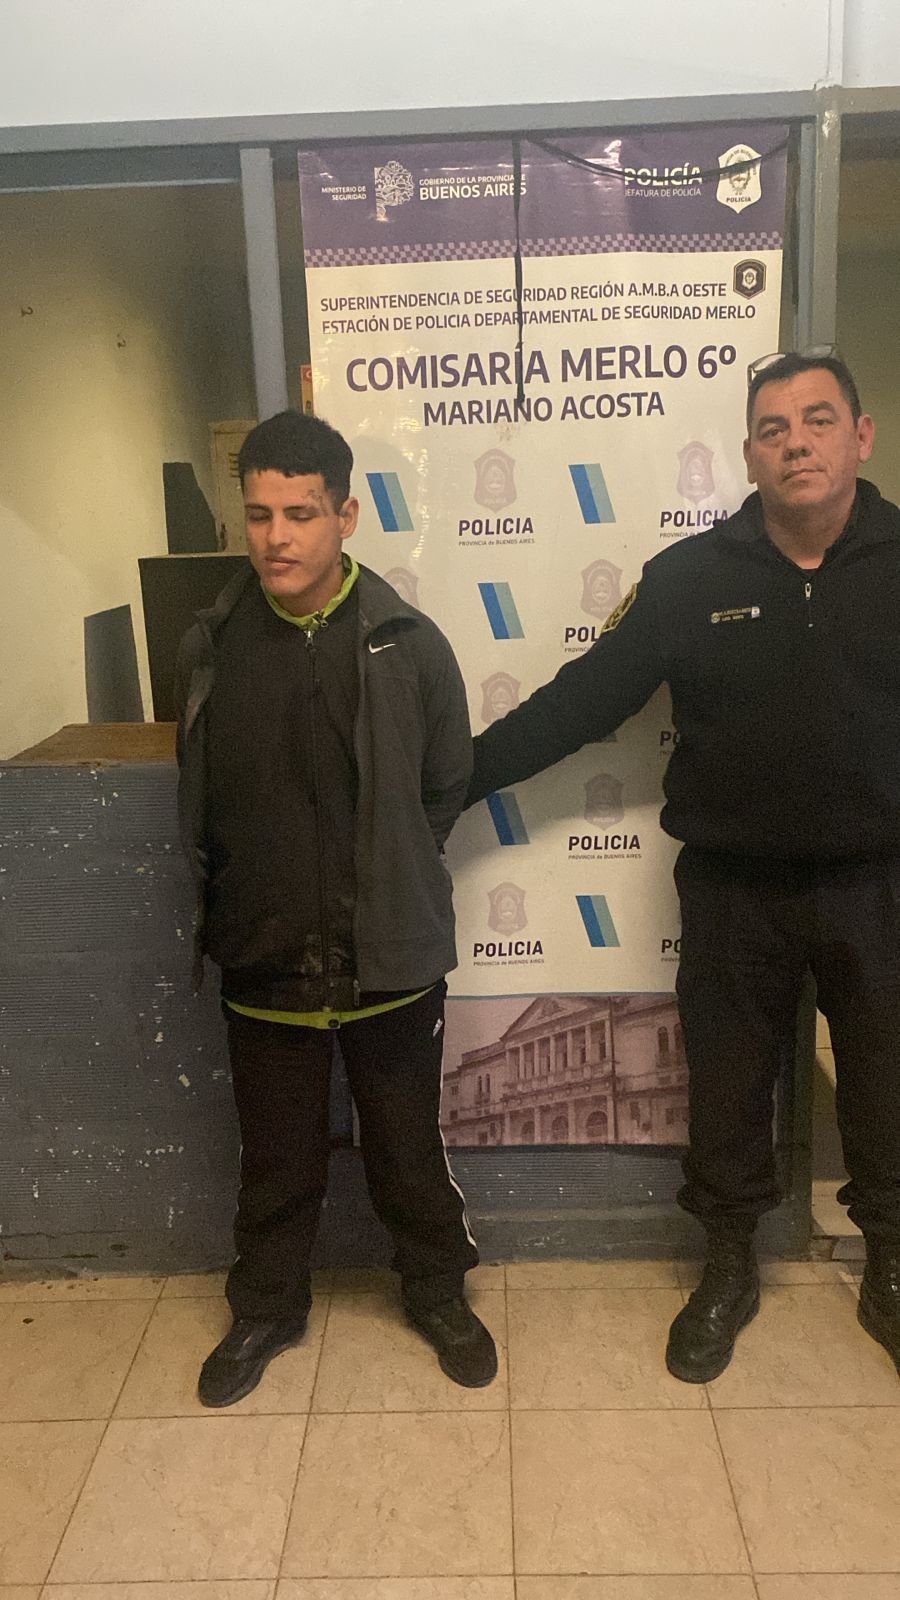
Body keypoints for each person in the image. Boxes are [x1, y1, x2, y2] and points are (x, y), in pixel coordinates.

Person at [465, 351, 900, 1383]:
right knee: (729, 1091)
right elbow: (580, 703)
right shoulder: (688, 579)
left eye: (818, 420)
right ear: (747, 456)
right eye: (773, 428)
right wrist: (453, 778)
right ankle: (728, 1266)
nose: (795, 442)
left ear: (860, 436)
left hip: (880, 884)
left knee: (887, 1084)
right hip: (734, 889)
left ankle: (890, 1264)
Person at [175, 409, 496, 1406]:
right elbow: (205, 801)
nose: (276, 537)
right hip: (264, 955)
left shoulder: (408, 644)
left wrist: (389, 878)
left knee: (407, 1153)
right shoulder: (215, 646)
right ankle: (267, 1307)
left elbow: (443, 785)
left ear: (346, 517)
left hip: (388, 958)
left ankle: (435, 1290)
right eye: (260, 514)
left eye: (301, 514)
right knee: (276, 1162)